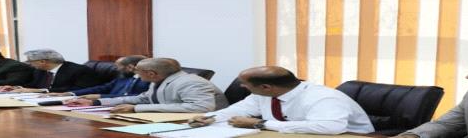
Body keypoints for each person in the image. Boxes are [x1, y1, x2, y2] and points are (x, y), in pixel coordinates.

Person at [190, 66, 374, 134]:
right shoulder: (263, 95)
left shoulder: (322, 97)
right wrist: (210, 118)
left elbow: (330, 127)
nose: (242, 87)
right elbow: (239, 110)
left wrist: (261, 124)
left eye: (245, 84)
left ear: (266, 87)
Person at [66, 58, 228, 113]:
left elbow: (200, 108)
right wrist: (94, 102)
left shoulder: (191, 82)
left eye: (138, 71)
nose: (135, 73)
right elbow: (142, 99)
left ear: (151, 73)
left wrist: (136, 109)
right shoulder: (158, 81)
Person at [0, 49, 100, 93]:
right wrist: (17, 87)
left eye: (30, 61)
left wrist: (43, 91)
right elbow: (34, 85)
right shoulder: (40, 70)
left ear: (43, 61)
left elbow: (79, 89)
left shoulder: (78, 70)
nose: (28, 64)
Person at [48, 55, 150, 99]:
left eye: (119, 67)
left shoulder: (148, 80)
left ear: (130, 67)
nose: (117, 70)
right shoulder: (123, 78)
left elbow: (138, 97)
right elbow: (101, 88)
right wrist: (69, 93)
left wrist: (101, 97)